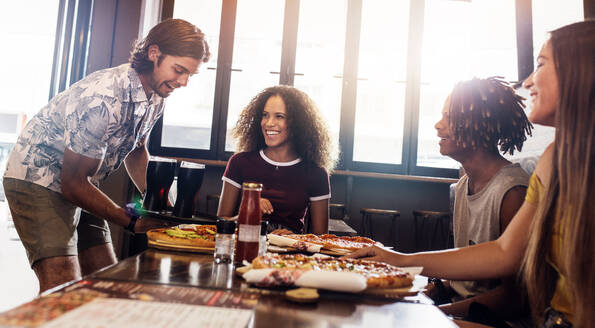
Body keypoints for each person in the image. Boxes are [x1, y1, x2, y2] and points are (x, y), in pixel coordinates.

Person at [346, 21, 594, 328]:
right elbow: (505, 252)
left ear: (580, 73)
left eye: (541, 64)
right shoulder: (552, 159)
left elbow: (517, 294)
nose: (528, 81)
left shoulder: (511, 188)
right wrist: (399, 260)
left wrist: (441, 310)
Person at [2, 18, 210, 293]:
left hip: (80, 181)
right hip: (38, 179)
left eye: (189, 75)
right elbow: (72, 183)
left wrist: (162, 204)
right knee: (64, 284)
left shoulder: (156, 97)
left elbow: (136, 150)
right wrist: (132, 221)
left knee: (108, 282)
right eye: (179, 70)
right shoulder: (105, 97)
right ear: (154, 53)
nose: (183, 82)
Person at [430, 77, 533, 320]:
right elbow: (469, 282)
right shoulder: (465, 183)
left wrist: (438, 315)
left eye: (448, 117)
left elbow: (515, 297)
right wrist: (428, 292)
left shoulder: (512, 192)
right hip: (462, 313)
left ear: (476, 125)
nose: (437, 125)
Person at [217, 85, 338, 234]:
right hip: (243, 249)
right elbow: (221, 224)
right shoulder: (239, 162)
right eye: (265, 115)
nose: (268, 123)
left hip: (291, 256)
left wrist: (295, 239)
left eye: (279, 116)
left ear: (298, 123)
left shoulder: (316, 173)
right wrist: (249, 212)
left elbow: (320, 238)